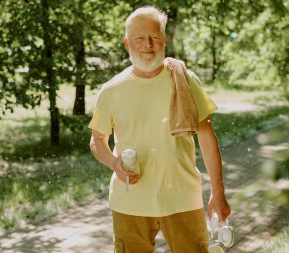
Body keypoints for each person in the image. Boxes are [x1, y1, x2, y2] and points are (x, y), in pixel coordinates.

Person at [89, 6, 231, 253]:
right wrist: (114, 164)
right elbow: (97, 140)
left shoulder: (185, 79)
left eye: (155, 37)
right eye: (139, 38)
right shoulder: (112, 90)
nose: (148, 45)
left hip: (182, 199)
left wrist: (218, 194)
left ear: (164, 40)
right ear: (127, 43)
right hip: (130, 202)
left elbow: (207, 138)